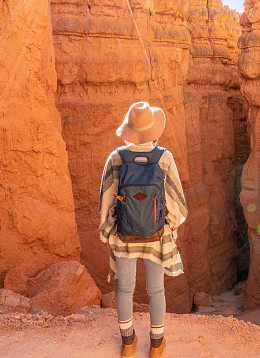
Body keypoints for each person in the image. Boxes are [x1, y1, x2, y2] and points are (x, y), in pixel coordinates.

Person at [99, 101, 188, 358]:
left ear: (129, 130)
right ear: (153, 131)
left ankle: (128, 342)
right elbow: (177, 202)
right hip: (156, 235)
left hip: (124, 234)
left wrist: (107, 231)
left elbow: (106, 199)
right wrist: (171, 226)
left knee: (124, 289)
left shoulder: (116, 158)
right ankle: (157, 345)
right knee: (155, 290)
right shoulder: (165, 158)